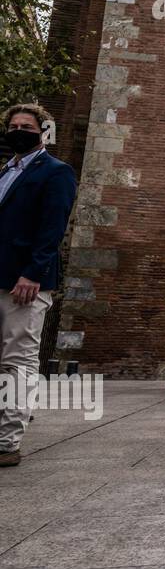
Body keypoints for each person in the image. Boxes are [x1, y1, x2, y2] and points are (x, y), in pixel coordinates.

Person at [0, 103, 78, 468]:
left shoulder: (56, 172)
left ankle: (7, 440)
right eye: (13, 125)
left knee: (18, 360)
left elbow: (52, 228)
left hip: (26, 282)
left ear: (42, 131)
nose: (18, 130)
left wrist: (33, 272)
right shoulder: (6, 172)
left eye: (26, 125)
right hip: (1, 276)